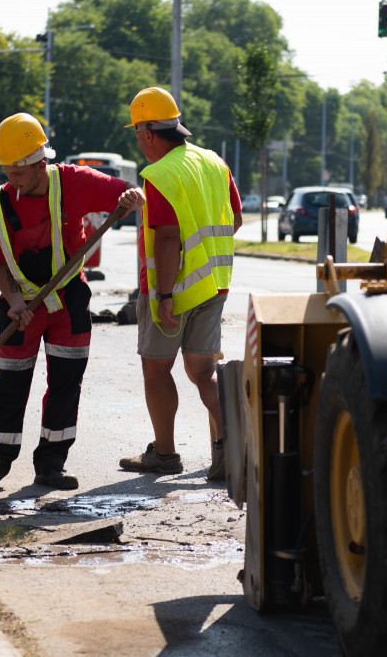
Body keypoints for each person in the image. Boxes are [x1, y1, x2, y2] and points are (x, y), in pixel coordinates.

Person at [0, 112, 143, 494]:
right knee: (10, 382)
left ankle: (51, 464)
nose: (10, 180)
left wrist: (132, 196)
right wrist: (13, 301)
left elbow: (129, 191)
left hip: (69, 301)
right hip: (20, 306)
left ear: (40, 162)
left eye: (17, 172)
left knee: (67, 381)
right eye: (7, 171)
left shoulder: (74, 182)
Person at [118, 87, 241, 480]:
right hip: (214, 283)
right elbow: (234, 220)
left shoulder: (160, 175)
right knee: (205, 371)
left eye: (138, 134)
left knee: (157, 370)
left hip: (172, 290)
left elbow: (168, 237)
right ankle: (234, 445)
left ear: (149, 133)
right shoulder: (215, 163)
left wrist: (166, 295)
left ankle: (165, 454)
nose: (140, 142)